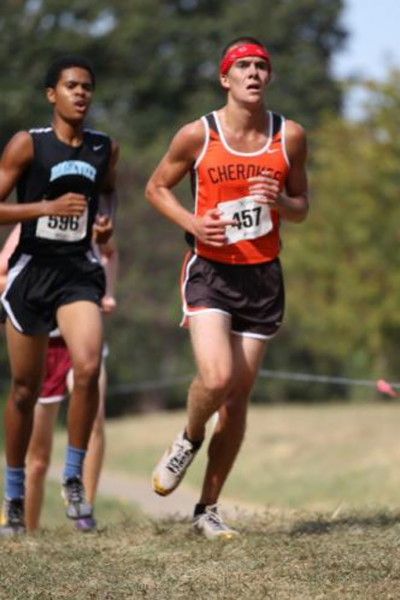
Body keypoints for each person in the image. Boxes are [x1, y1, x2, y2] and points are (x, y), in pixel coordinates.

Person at [145, 36, 308, 539]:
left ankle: (207, 510)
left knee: (236, 402)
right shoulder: (198, 134)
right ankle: (189, 437)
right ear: (225, 78)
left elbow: (301, 208)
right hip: (210, 272)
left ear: (269, 77)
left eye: (262, 66)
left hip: (262, 277)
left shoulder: (290, 136)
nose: (254, 73)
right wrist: (193, 223)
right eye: (244, 66)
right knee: (216, 380)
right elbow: (155, 187)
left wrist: (280, 200)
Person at [0, 55, 119, 535]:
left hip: (77, 272)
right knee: (24, 390)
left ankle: (73, 477)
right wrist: (44, 208)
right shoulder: (28, 144)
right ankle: (13, 496)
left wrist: (105, 225)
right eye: (72, 85)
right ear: (52, 94)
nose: (81, 93)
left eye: (87, 86)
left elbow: (107, 195)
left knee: (87, 368)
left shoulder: (104, 147)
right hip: (31, 272)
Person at [0, 226, 118, 532]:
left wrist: (107, 293)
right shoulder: (28, 228)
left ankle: (83, 511)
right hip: (45, 343)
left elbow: (109, 250)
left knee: (95, 420)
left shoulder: (86, 218)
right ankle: (25, 524)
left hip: (77, 336)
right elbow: (3, 274)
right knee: (38, 458)